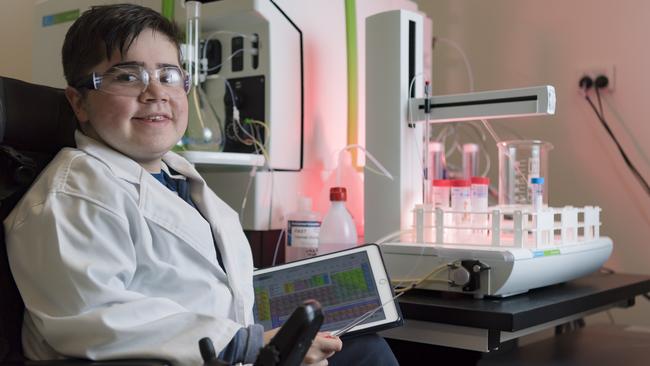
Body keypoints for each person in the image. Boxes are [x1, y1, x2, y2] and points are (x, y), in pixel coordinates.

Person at [4, 4, 398, 366]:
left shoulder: (175, 175)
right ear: (78, 102)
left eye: (168, 75)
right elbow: (98, 319)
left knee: (366, 348)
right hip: (204, 356)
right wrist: (248, 344)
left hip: (227, 349)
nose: (155, 91)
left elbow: (205, 283)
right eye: (128, 76)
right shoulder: (73, 193)